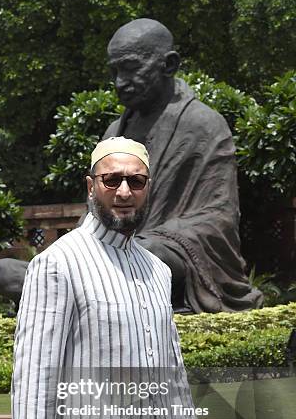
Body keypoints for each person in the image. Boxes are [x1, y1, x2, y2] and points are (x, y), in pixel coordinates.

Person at [5, 137, 218, 419]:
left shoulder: (156, 271)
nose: (123, 190)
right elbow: (35, 372)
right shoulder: (58, 264)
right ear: (91, 186)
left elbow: (170, 370)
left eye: (135, 181)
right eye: (112, 180)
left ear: (148, 189)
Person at [104, 18, 263, 313]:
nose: (119, 82)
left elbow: (219, 216)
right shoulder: (114, 132)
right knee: (9, 271)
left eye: (129, 68)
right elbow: (95, 211)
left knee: (143, 254)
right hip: (109, 252)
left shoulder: (204, 125)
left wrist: (154, 238)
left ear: (169, 65)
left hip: (170, 253)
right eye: (114, 71)